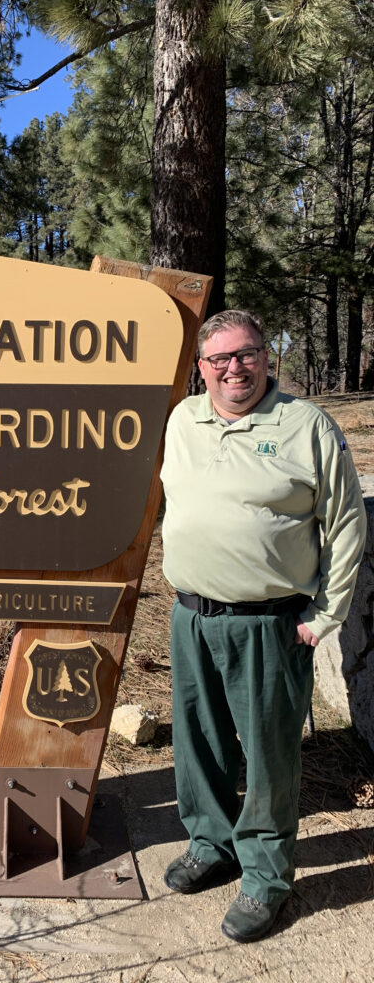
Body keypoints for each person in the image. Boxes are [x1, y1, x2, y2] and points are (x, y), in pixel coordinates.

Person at [159, 309, 366, 943]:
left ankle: (266, 876)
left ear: (266, 359)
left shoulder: (306, 426)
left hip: (269, 624)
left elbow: (347, 523)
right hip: (192, 615)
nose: (234, 368)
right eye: (219, 358)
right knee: (200, 742)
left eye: (246, 354)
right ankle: (210, 843)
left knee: (271, 757)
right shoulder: (182, 420)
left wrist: (325, 615)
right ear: (201, 368)